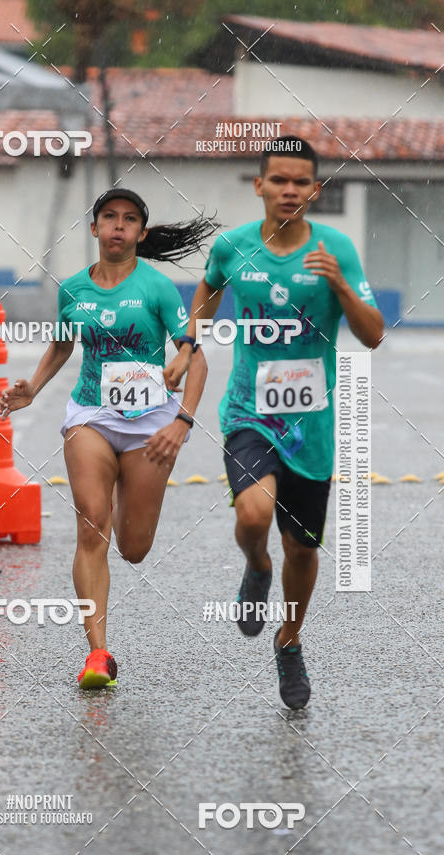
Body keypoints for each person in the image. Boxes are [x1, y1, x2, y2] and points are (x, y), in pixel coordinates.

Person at [165, 136, 384, 710]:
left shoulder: (336, 248)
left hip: (312, 424)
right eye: (278, 180)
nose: (290, 190)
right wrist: (189, 342)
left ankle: (289, 641)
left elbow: (373, 332)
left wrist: (338, 282)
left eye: (300, 182)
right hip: (249, 412)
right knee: (255, 514)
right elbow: (207, 290)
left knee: (305, 550)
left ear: (315, 190)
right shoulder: (234, 246)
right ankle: (256, 566)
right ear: (259, 185)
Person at [0, 188, 214, 689]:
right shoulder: (73, 289)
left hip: (149, 423)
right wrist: (33, 386)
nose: (119, 226)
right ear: (94, 228)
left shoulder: (159, 289)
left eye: (130, 219)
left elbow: (195, 357)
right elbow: (61, 343)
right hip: (91, 414)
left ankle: (124, 482)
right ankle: (97, 654)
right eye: (110, 218)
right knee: (91, 524)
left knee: (134, 547)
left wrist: (181, 423)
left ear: (140, 232)